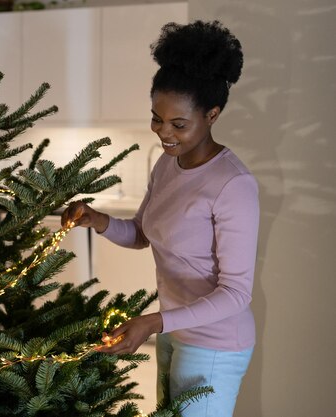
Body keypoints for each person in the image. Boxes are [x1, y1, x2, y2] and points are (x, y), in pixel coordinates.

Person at [61, 20, 258, 417]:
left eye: (178, 124)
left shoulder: (232, 184)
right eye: (157, 118)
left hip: (214, 345)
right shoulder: (167, 165)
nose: (163, 133)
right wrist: (97, 220)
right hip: (173, 332)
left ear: (213, 114)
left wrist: (153, 322)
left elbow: (237, 293)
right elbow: (141, 233)